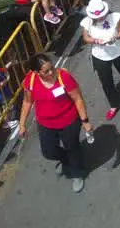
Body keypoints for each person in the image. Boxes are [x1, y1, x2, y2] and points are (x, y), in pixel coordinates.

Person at [16, 54, 92, 193]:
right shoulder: (30, 81)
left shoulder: (64, 77)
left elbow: (78, 99)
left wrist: (85, 121)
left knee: (72, 147)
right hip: (46, 124)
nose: (51, 72)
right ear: (36, 72)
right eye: (46, 71)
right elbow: (27, 102)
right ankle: (66, 160)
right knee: (49, 152)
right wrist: (22, 124)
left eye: (51, 68)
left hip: (68, 121)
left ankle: (77, 173)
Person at [80, 0, 120, 121]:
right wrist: (95, 41)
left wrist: (114, 38)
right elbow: (86, 38)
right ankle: (114, 103)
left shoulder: (115, 17)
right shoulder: (87, 22)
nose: (100, 18)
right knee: (106, 82)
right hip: (100, 56)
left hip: (119, 51)